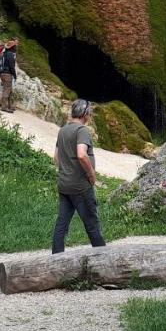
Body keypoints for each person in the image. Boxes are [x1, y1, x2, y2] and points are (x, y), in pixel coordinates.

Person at [51, 100, 106, 253]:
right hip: (80, 186)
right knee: (92, 224)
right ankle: (103, 258)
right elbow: (82, 154)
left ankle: (56, 259)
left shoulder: (62, 130)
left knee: (62, 224)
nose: (90, 115)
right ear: (84, 114)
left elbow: (56, 157)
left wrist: (67, 170)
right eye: (89, 113)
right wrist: (91, 174)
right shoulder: (82, 130)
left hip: (64, 185)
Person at [0, 39, 19, 113]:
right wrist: (14, 75)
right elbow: (11, 67)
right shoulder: (10, 55)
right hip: (7, 74)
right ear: (12, 48)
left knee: (9, 90)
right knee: (7, 90)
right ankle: (4, 107)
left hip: (2, 73)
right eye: (15, 46)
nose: (16, 47)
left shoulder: (5, 53)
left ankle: (9, 105)